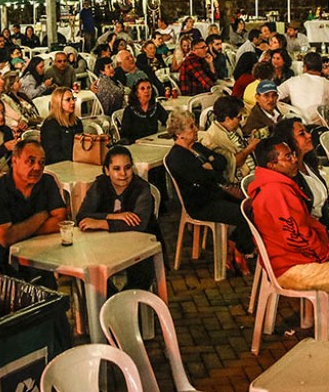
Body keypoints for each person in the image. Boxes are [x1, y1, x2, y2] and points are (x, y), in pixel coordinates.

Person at [248, 137, 329, 337]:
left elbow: (305, 225)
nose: (294, 160)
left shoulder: (279, 184)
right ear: (272, 165)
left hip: (296, 257)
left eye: (292, 154)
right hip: (290, 266)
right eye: (287, 157)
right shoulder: (275, 192)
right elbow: (297, 237)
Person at [164, 110, 252, 275]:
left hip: (214, 194)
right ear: (179, 134)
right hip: (200, 204)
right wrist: (210, 170)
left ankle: (234, 246)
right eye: (191, 127)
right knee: (244, 214)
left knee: (252, 207)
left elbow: (221, 162)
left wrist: (209, 168)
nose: (196, 129)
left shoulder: (196, 147)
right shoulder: (176, 157)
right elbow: (204, 180)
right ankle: (238, 251)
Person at [0, 139, 66, 287]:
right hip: (6, 267)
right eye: (30, 161)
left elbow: (61, 221)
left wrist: (20, 231)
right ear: (14, 161)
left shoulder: (47, 182)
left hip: (44, 257)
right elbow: (6, 238)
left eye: (42, 162)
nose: (37, 167)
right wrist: (42, 216)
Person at [77, 146, 159, 290]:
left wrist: (102, 223)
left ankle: (125, 304)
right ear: (107, 171)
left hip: (140, 245)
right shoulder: (100, 185)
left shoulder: (141, 188)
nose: (123, 174)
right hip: (106, 245)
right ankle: (110, 302)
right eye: (116, 169)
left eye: (127, 168)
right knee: (87, 270)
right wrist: (113, 216)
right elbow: (82, 216)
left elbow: (139, 223)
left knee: (142, 274)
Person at [202, 96, 258, 184]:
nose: (241, 120)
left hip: (253, 171)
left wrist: (249, 142)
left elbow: (239, 146)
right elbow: (233, 163)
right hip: (239, 181)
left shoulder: (232, 128)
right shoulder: (213, 139)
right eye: (239, 117)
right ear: (228, 119)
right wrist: (250, 148)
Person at [277, 51, 329, 125]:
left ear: (305, 67)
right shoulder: (328, 84)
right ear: (321, 68)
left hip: (298, 125)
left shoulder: (292, 81)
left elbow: (275, 95)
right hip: (320, 128)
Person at [40, 88, 84, 163]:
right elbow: (53, 154)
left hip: (76, 161)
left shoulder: (77, 122)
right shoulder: (50, 124)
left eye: (73, 99)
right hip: (56, 165)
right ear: (58, 102)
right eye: (68, 100)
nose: (72, 102)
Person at [119, 78, 169, 143]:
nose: (146, 91)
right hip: (136, 145)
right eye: (142, 89)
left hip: (154, 143)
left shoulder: (156, 106)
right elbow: (124, 135)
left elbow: (168, 121)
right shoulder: (129, 111)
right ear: (136, 93)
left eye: (149, 88)